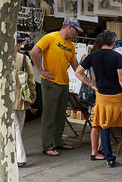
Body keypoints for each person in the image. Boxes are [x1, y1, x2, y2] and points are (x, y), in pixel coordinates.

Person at [75, 30, 122, 168]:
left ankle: (109, 159)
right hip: (117, 97)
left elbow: (78, 72)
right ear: (114, 43)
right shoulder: (117, 56)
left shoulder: (93, 55)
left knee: (104, 126)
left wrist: (91, 85)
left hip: (102, 96)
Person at [30, 17, 83, 156]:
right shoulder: (50, 37)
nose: (76, 34)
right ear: (69, 27)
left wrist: (87, 78)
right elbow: (34, 52)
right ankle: (47, 145)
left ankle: (58, 141)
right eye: (76, 30)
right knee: (49, 115)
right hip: (51, 83)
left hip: (64, 83)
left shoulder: (70, 45)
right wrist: (41, 71)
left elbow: (75, 66)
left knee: (60, 115)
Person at [14, 33, 36, 167]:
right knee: (17, 127)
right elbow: (30, 79)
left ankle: (17, 154)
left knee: (16, 128)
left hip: (5, 99)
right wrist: (32, 95)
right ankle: (20, 157)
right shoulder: (23, 58)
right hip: (21, 97)